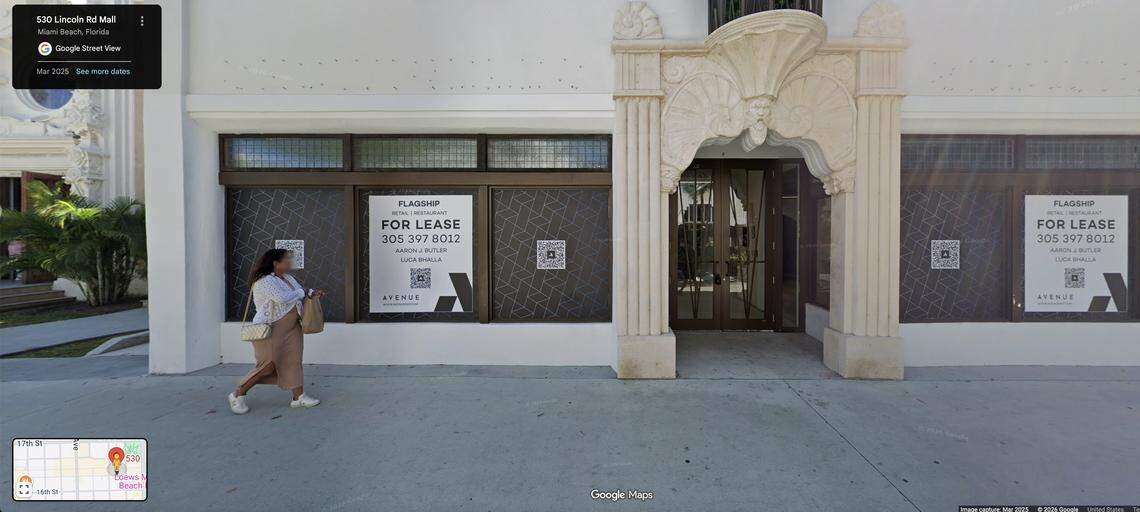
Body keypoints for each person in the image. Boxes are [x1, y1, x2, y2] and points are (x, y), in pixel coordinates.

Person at [228, 248, 325, 414]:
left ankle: (298, 397)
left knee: (294, 361)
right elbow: (282, 297)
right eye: (286, 259)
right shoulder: (264, 281)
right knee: (268, 365)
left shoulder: (287, 278)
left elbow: (298, 295)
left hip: (292, 327)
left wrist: (311, 293)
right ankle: (238, 394)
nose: (290, 263)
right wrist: (302, 292)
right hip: (271, 328)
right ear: (275, 263)